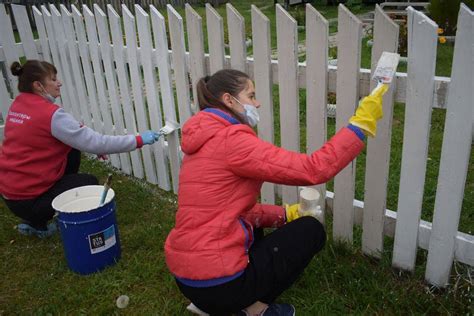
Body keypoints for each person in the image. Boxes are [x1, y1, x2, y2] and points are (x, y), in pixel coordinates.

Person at [164, 69, 388, 316]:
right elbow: (314, 168)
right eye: (251, 95)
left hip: (186, 278)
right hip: (220, 283)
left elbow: (232, 211)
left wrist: (284, 214)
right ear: (229, 100)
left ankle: (224, 303)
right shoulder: (232, 139)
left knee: (252, 226)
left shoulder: (201, 139)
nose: (257, 102)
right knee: (311, 231)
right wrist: (359, 126)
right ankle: (250, 310)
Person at [0, 60, 160, 238]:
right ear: (38, 85)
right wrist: (138, 140)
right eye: (53, 79)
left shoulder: (19, 104)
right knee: (88, 182)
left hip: (11, 195)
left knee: (72, 149)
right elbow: (96, 142)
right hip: (30, 200)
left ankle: (36, 217)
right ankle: (41, 223)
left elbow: (72, 135)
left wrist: (88, 144)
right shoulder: (50, 115)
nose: (59, 83)